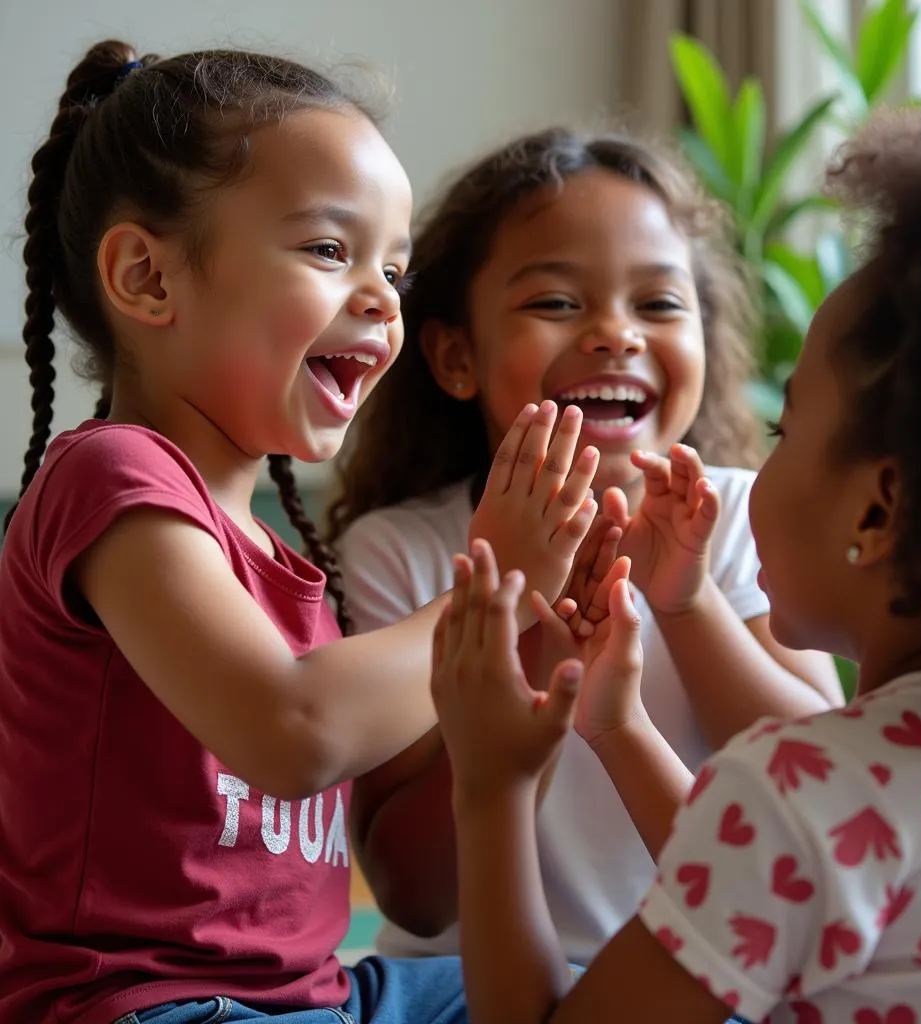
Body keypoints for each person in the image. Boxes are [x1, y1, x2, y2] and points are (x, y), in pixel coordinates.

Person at [0, 41, 602, 1024]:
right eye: (329, 250)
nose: (379, 297)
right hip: (150, 1006)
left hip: (312, 997)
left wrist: (542, 634)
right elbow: (294, 729)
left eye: (394, 271)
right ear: (147, 277)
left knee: (601, 996)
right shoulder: (109, 476)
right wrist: (498, 586)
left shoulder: (287, 559)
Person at [431, 102, 921, 1023]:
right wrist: (621, 728)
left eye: (786, 428)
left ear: (878, 509)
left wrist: (494, 787)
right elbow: (761, 886)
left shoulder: (801, 791)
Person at [327, 127, 844, 961]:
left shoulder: (743, 515)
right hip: (458, 986)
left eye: (660, 304)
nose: (615, 334)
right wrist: (528, 624)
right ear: (457, 355)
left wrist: (687, 601)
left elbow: (826, 788)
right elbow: (417, 899)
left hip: (704, 980)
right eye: (557, 303)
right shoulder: (401, 551)